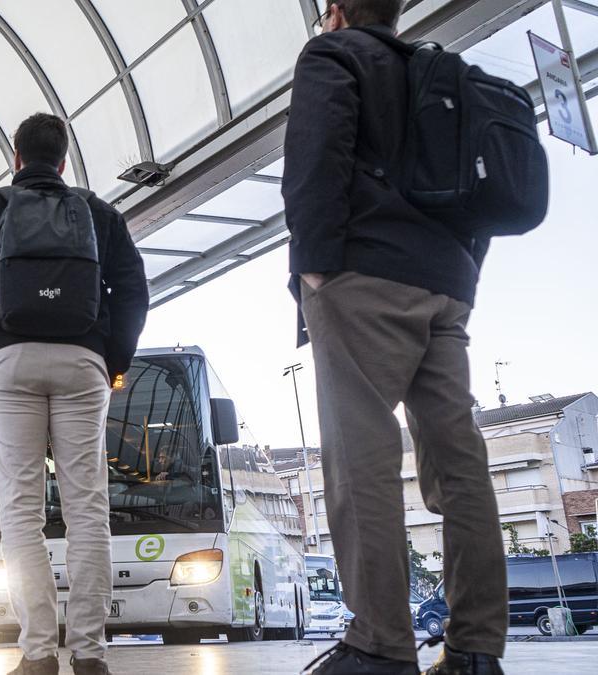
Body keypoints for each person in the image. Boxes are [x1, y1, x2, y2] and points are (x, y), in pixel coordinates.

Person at [284, 3, 506, 674]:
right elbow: (478, 185)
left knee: (362, 456)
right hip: (446, 285)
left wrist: (315, 268)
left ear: (337, 13)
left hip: (363, 275)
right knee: (459, 461)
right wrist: (462, 273)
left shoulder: (333, 54)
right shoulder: (442, 72)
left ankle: (379, 645)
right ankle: (475, 649)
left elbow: (316, 156)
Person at [0, 113, 148, 675]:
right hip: (83, 362)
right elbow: (133, 289)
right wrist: (112, 360)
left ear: (16, 157)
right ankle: (90, 651)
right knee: (87, 509)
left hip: (9, 362)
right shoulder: (98, 213)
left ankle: (37, 653)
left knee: (21, 511)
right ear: (63, 161)